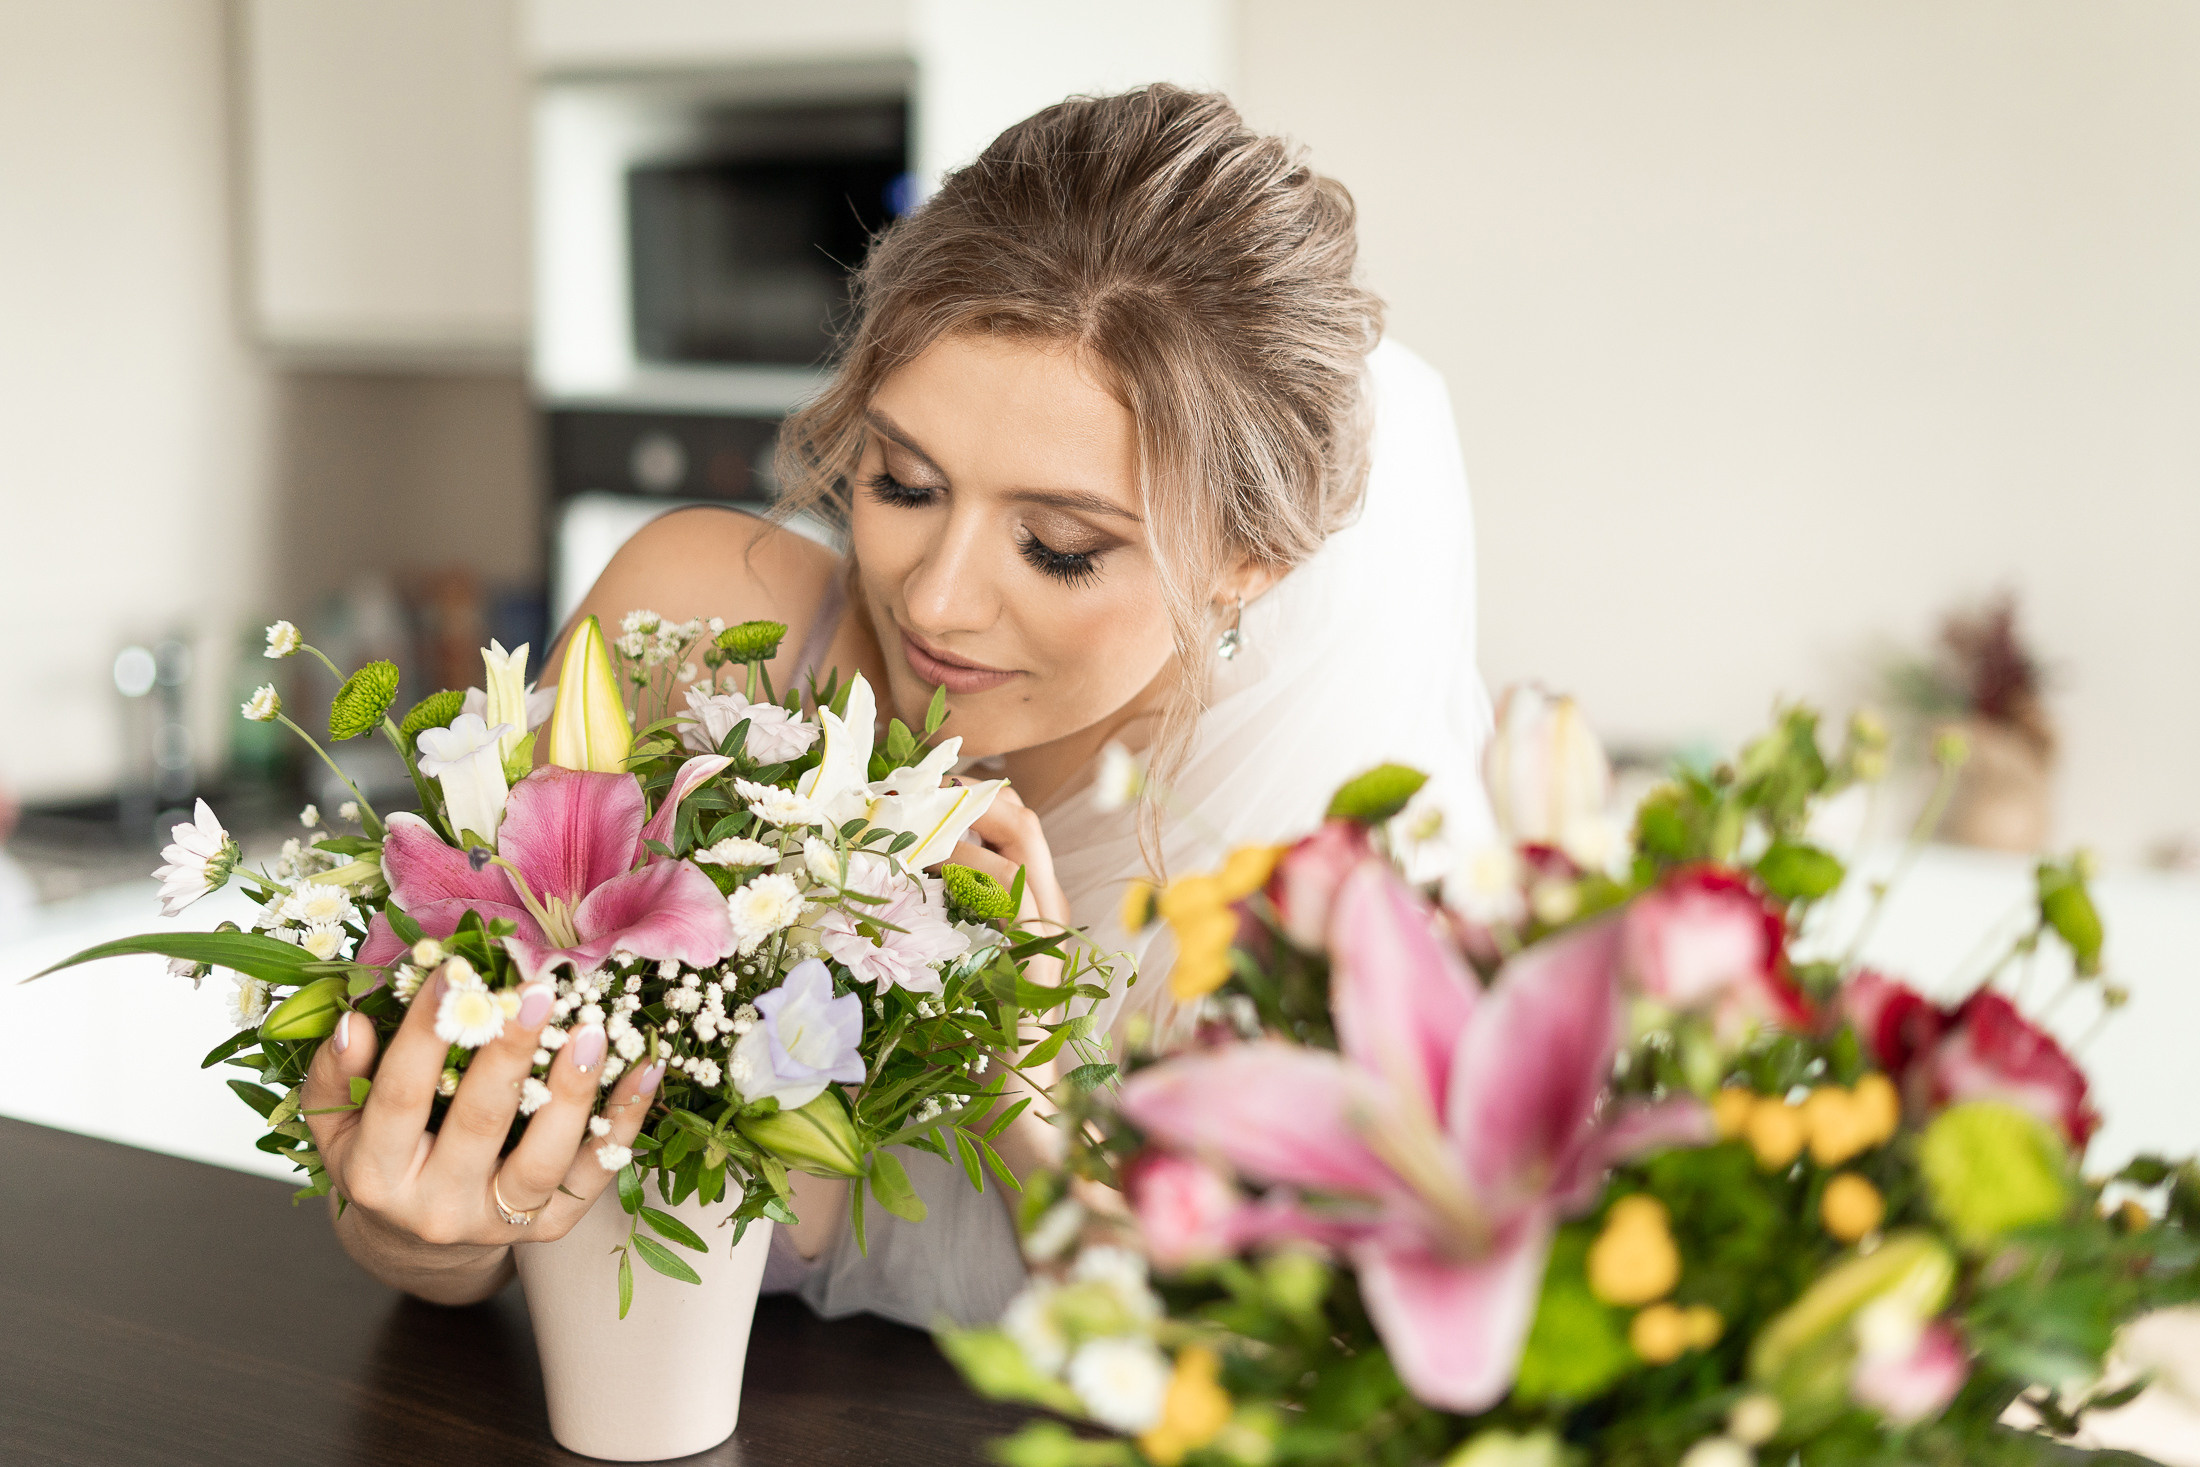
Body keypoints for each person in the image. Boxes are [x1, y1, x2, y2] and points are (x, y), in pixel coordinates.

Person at [300, 84, 1489, 1330]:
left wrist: (1027, 1074)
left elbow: (1256, 1362)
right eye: (902, 481)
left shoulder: (1318, 887)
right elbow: (438, 1212)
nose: (935, 598)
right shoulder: (701, 634)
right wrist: (422, 1233)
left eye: (1059, 546)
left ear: (1246, 563)